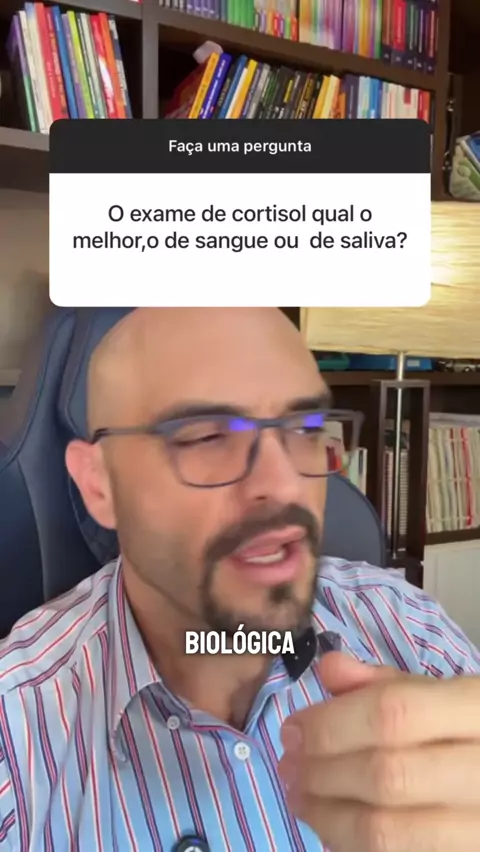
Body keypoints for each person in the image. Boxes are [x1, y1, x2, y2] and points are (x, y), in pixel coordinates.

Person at [0, 307, 479, 852]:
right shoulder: (16, 737)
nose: (284, 486)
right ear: (99, 483)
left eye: (304, 429)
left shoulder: (411, 632)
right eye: (207, 436)